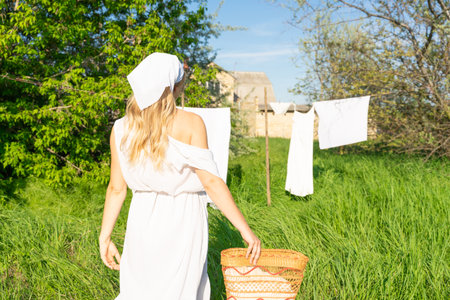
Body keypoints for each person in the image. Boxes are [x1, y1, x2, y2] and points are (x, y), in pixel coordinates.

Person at [98, 53, 261, 299]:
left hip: (141, 222)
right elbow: (212, 183)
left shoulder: (120, 128)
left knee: (141, 292)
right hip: (183, 221)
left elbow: (116, 189)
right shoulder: (192, 123)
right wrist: (245, 231)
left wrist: (105, 236)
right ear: (175, 87)